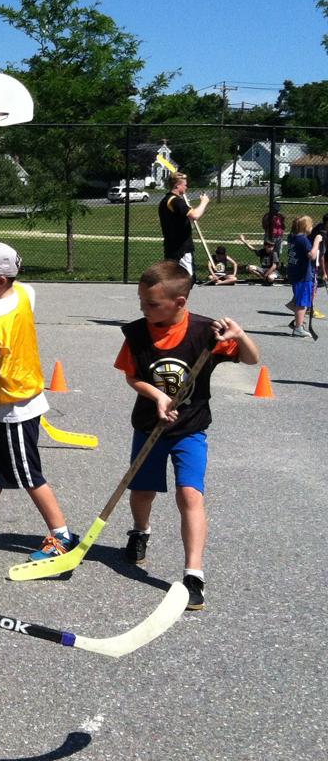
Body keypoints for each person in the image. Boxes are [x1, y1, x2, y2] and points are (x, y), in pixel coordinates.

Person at [116, 261, 259, 610]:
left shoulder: (206, 333)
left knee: (190, 495)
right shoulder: (137, 334)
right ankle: (140, 531)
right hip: (150, 427)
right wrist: (159, 396)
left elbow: (252, 361)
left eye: (152, 304)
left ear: (180, 302)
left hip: (190, 429)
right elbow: (132, 377)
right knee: (143, 491)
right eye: (141, 301)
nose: (143, 309)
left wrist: (240, 336)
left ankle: (194, 574)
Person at [0, 242, 78, 560]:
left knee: (28, 473)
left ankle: (61, 535)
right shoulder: (25, 292)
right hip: (16, 397)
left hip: (15, 405)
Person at [158, 172, 208, 277]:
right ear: (177, 185)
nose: (187, 187)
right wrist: (204, 202)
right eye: (185, 184)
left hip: (172, 247)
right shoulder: (175, 201)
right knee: (186, 280)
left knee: (174, 280)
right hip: (181, 249)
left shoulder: (165, 201)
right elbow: (195, 215)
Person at [285, 215, 321, 338]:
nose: (312, 227)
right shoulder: (303, 240)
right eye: (311, 225)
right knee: (303, 303)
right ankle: (298, 328)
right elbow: (312, 255)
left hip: (295, 273)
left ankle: (296, 319)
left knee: (300, 299)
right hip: (303, 276)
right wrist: (316, 241)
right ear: (305, 227)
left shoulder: (292, 237)